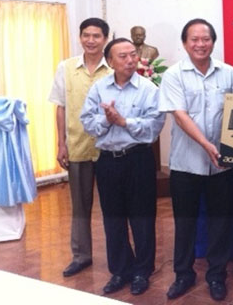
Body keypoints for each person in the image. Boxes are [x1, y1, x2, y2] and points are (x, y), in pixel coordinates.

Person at [159, 18, 233, 302]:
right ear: (185, 43)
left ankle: (217, 276)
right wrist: (207, 145)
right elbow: (180, 116)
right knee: (185, 223)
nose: (200, 44)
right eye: (194, 39)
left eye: (206, 39)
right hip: (186, 164)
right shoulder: (173, 75)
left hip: (222, 165)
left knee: (220, 223)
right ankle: (183, 274)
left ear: (213, 42)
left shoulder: (228, 72)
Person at [80, 38, 165, 296]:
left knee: (142, 218)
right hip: (108, 161)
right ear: (110, 61)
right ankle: (120, 270)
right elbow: (87, 122)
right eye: (123, 56)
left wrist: (124, 121)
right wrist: (107, 121)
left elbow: (154, 126)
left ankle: (142, 271)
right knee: (113, 219)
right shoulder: (99, 88)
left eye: (132, 55)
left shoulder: (148, 89)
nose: (130, 60)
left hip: (138, 159)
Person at [48, 17, 112, 277]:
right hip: (77, 145)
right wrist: (60, 143)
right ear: (80, 37)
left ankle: (118, 258)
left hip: (109, 148)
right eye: (86, 35)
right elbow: (60, 107)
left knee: (113, 207)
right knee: (80, 206)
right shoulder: (65, 67)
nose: (91, 40)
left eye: (96, 36)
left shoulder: (113, 68)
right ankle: (81, 256)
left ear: (105, 39)